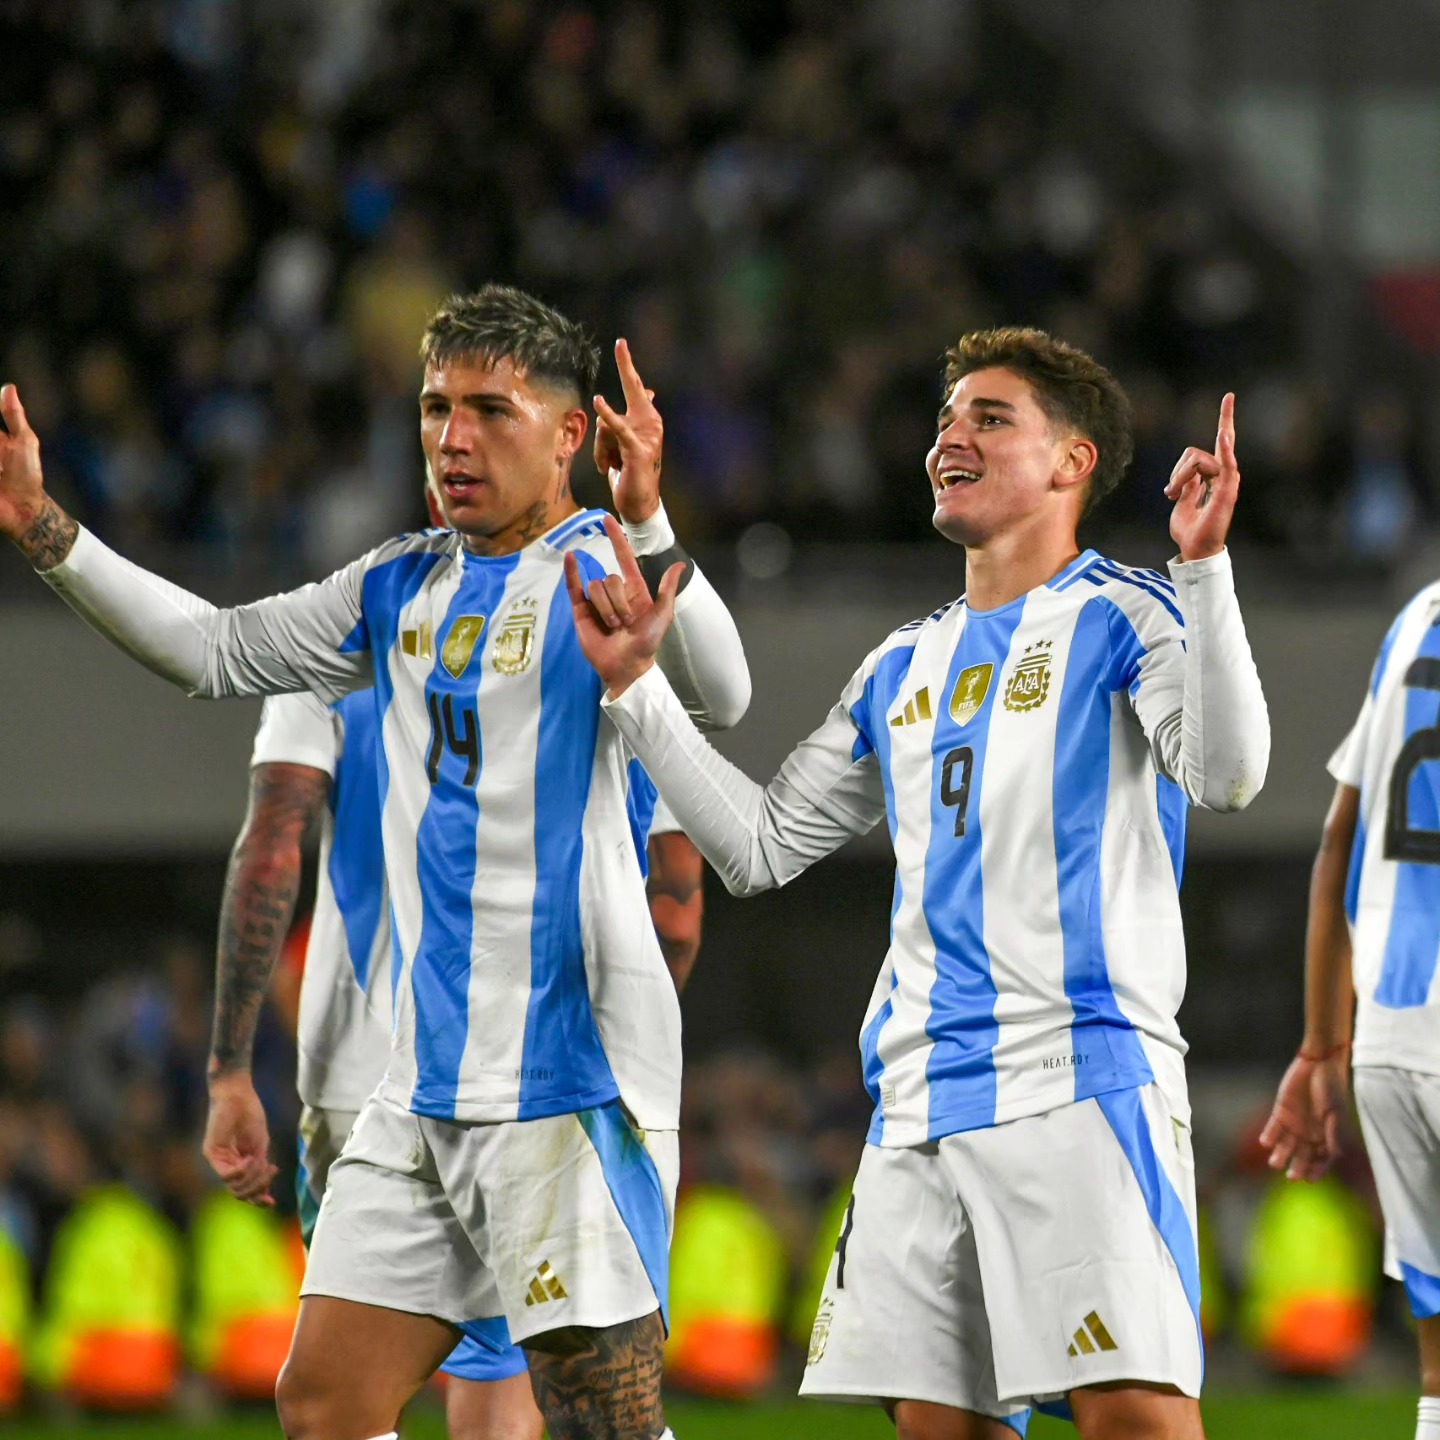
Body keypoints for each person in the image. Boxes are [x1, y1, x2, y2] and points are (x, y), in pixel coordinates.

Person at [0, 283, 748, 1440]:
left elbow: (725, 692)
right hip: (420, 1086)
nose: (452, 438)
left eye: (490, 410)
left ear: (569, 437)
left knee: (597, 1421)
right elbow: (212, 649)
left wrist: (648, 522)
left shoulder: (596, 564)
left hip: (567, 1089)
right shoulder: (395, 585)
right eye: (435, 407)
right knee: (324, 1402)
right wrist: (51, 533)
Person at [567, 327, 1270, 1440]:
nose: (952, 435)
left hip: (1075, 1077)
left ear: (1071, 461)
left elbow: (1228, 775)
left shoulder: (1130, 614)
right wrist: (639, 693)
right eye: (948, 417)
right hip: (915, 1107)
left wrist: (1206, 566)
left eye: (991, 417)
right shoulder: (902, 662)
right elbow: (759, 847)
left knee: (1134, 1419)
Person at [204, 677, 702, 1440]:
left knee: (354, 1403)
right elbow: (677, 912)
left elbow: (272, 847)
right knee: (365, 1398)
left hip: (378, 1084)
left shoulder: (339, 644)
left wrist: (230, 1069)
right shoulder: (604, 668)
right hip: (524, 1083)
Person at [1261, 574, 1440, 1440]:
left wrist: (1323, 1045)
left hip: (1390, 1046)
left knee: (1438, 1375)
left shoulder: (1418, 615)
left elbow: (1340, 838)